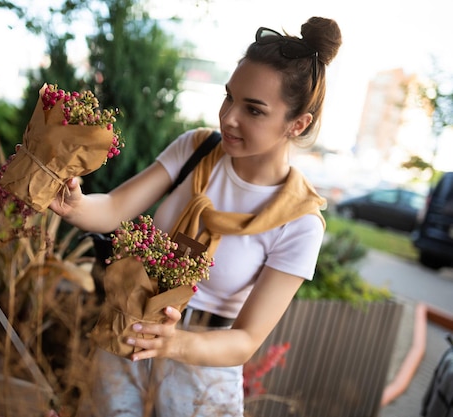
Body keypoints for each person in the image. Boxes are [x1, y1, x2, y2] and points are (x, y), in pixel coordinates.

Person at [49, 16, 342, 417]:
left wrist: (173, 344)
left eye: (253, 110)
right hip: (128, 332)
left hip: (202, 368)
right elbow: (116, 207)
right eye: (229, 98)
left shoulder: (299, 221)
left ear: (298, 124)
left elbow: (246, 339)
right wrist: (77, 206)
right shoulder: (198, 149)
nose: (229, 118)